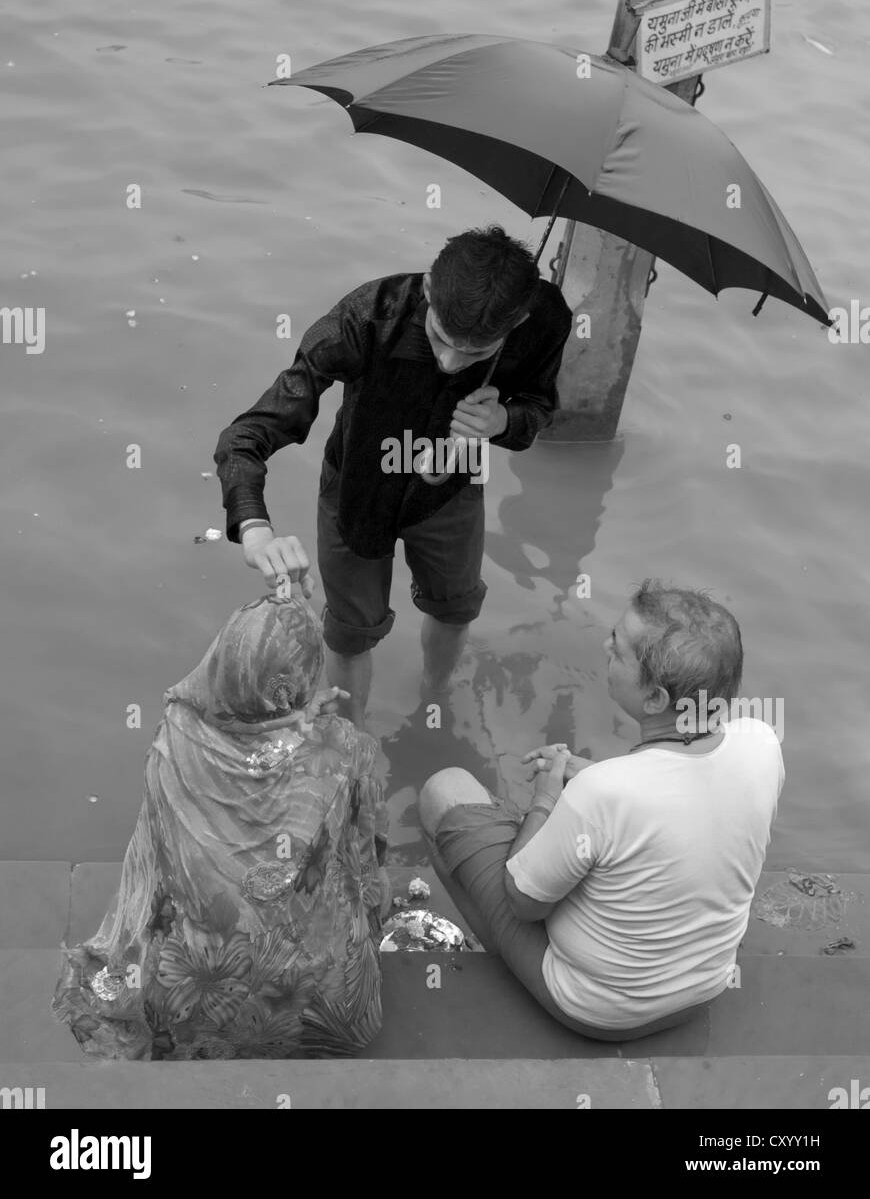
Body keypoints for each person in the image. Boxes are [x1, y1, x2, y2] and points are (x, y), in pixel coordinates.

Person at [214, 225, 572, 726]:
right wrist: (254, 529)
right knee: (350, 632)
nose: (451, 363)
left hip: (450, 489)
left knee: (455, 608)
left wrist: (502, 421)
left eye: (476, 352)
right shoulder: (364, 319)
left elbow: (538, 407)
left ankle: (434, 697)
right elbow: (246, 435)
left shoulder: (546, 319)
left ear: (520, 323)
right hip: (357, 491)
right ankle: (350, 735)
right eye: (442, 338)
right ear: (428, 290)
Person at [418, 579, 785, 1041]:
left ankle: (508, 963)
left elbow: (522, 902)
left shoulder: (601, 793)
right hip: (705, 986)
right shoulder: (762, 743)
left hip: (599, 1009)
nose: (604, 646)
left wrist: (549, 795)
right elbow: (684, 804)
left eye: (619, 648)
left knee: (443, 791)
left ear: (654, 699)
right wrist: (583, 774)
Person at [52, 582, 390, 1060]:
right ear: (305, 676)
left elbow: (158, 874)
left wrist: (287, 726)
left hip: (186, 1003)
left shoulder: (174, 738)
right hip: (326, 1007)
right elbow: (365, 862)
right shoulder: (341, 749)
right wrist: (312, 735)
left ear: (224, 660)